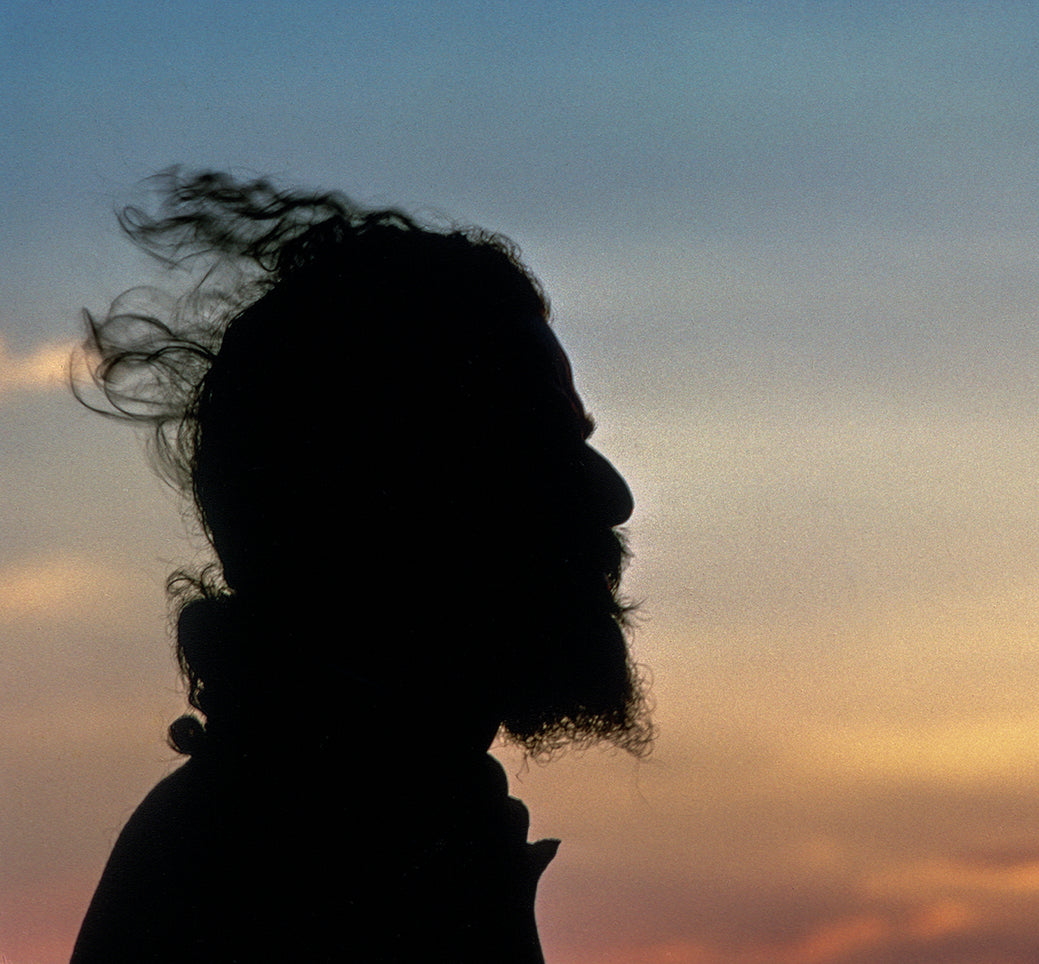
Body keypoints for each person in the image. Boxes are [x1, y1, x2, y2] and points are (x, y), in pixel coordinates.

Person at [69, 170, 652, 962]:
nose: (612, 498)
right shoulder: (310, 868)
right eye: (536, 444)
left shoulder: (373, 825)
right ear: (389, 491)